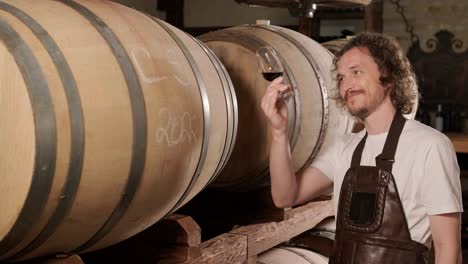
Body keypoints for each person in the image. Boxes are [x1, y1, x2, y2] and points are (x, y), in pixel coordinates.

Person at [261, 32, 463, 264]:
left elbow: (448, 248)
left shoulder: (430, 146)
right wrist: (278, 131)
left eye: (356, 72)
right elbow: (285, 195)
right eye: (341, 78)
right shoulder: (344, 147)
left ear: (387, 75)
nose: (346, 85)